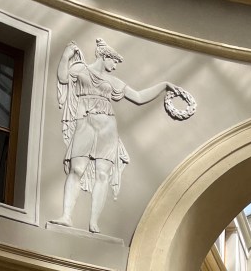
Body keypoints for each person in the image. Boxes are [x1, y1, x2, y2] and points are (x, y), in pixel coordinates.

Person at [52, 38, 182, 233]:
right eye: (113, 61)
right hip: (85, 124)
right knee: (76, 169)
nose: (114, 66)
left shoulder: (114, 82)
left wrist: (164, 85)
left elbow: (138, 97)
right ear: (105, 56)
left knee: (102, 174)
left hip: (107, 127)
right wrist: (65, 56)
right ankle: (66, 216)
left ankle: (94, 222)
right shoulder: (81, 69)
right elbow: (62, 77)